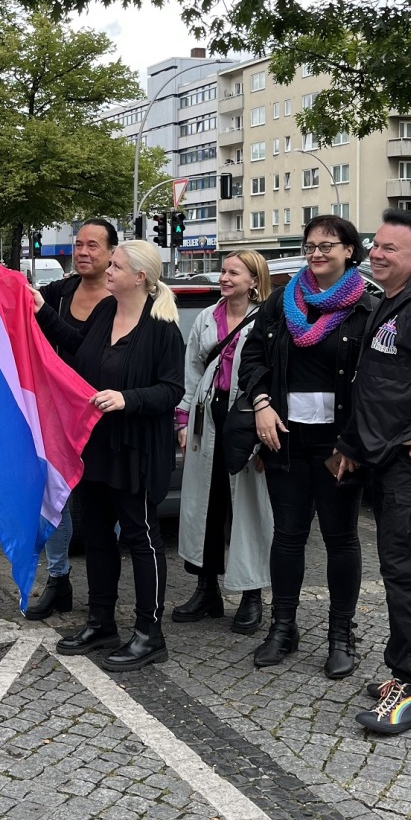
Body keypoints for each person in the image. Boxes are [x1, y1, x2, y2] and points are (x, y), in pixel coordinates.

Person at [31, 240, 184, 670]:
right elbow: (77, 346)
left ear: (140, 276)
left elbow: (172, 389)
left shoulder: (162, 328)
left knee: (142, 539)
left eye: (115, 265)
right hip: (96, 445)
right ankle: (101, 623)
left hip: (136, 449)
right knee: (97, 536)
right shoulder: (104, 311)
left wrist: (127, 398)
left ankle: (149, 634)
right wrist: (42, 309)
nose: (108, 270)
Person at [238, 215, 372, 676]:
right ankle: (283, 628)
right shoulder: (281, 301)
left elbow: (376, 383)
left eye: (327, 245)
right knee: (288, 535)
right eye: (310, 245)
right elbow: (253, 358)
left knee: (341, 538)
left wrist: (354, 442)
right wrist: (261, 404)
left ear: (349, 251)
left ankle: (341, 634)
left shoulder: (367, 308)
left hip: (339, 444)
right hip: (285, 438)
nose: (316, 253)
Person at [337, 209, 411, 736]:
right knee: (410, 571)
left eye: (390, 248)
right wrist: (351, 446)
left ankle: (407, 688)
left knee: (406, 574)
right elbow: (376, 385)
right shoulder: (390, 302)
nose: (376, 253)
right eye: (376, 245)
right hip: (383, 459)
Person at [174, 251, 273, 634]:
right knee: (206, 507)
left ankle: (251, 594)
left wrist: (266, 440)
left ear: (254, 280)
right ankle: (206, 590)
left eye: (234, 272)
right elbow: (192, 370)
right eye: (224, 271)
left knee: (246, 509)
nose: (225, 278)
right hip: (207, 422)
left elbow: (274, 376)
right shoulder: (206, 317)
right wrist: (184, 419)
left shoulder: (267, 319)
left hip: (246, 424)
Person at [25, 219, 117, 619]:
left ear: (112, 253)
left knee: (104, 506)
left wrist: (44, 313)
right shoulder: (59, 292)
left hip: (103, 417)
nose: (82, 251)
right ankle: (58, 580)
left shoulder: (120, 299)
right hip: (57, 414)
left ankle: (103, 588)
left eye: (93, 245)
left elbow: (83, 348)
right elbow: (19, 311)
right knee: (53, 500)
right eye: (79, 244)